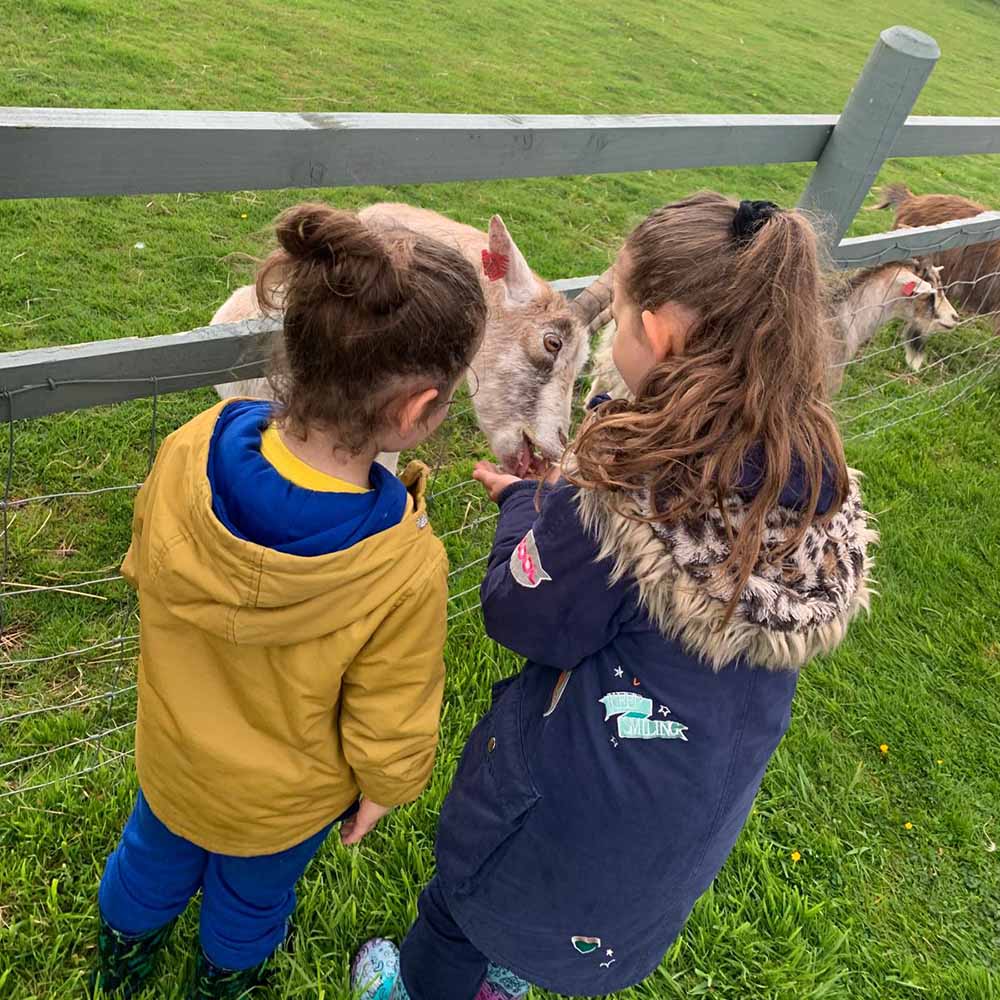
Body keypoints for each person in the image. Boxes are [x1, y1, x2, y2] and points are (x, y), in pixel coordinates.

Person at [351, 193, 876, 999]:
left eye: (622, 317)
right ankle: (506, 980)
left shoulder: (629, 493)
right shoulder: (802, 478)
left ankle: (420, 987)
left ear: (657, 334)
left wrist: (531, 509)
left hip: (555, 817)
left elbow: (521, 611)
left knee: (462, 916)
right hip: (671, 846)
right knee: (541, 934)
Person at [89, 203, 488, 999]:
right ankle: (223, 981)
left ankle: (122, 957)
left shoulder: (191, 446)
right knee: (251, 899)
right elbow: (393, 713)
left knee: (149, 857)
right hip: (283, 805)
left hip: (171, 755)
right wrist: (385, 789)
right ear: (417, 410)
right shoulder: (405, 566)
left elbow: (144, 561)